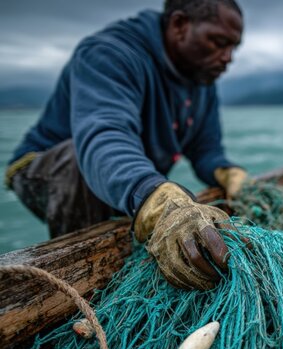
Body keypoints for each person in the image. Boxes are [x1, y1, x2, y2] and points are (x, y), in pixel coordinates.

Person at [3, 0, 248, 290]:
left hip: (119, 174)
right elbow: (104, 135)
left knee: (141, 188)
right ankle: (81, 289)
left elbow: (206, 150)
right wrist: (161, 204)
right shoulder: (110, 53)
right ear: (180, 25)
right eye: (219, 42)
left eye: (234, 47)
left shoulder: (202, 81)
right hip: (44, 168)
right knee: (79, 159)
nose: (228, 58)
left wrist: (228, 173)